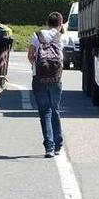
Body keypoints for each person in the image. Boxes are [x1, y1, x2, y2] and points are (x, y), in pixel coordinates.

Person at [29, 12, 65, 158]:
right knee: (55, 109)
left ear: (47, 22)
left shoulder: (37, 35)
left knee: (45, 112)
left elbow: (30, 56)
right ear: (60, 23)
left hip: (39, 78)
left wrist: (38, 68)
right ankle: (58, 145)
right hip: (56, 80)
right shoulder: (61, 38)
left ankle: (49, 147)